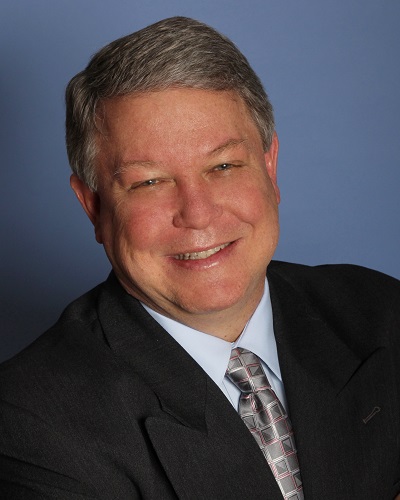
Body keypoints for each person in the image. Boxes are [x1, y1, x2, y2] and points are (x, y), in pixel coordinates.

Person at [0, 16, 399, 500]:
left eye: (224, 165)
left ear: (270, 169)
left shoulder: (381, 312)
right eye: (149, 181)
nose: (198, 212)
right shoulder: (29, 420)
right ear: (94, 208)